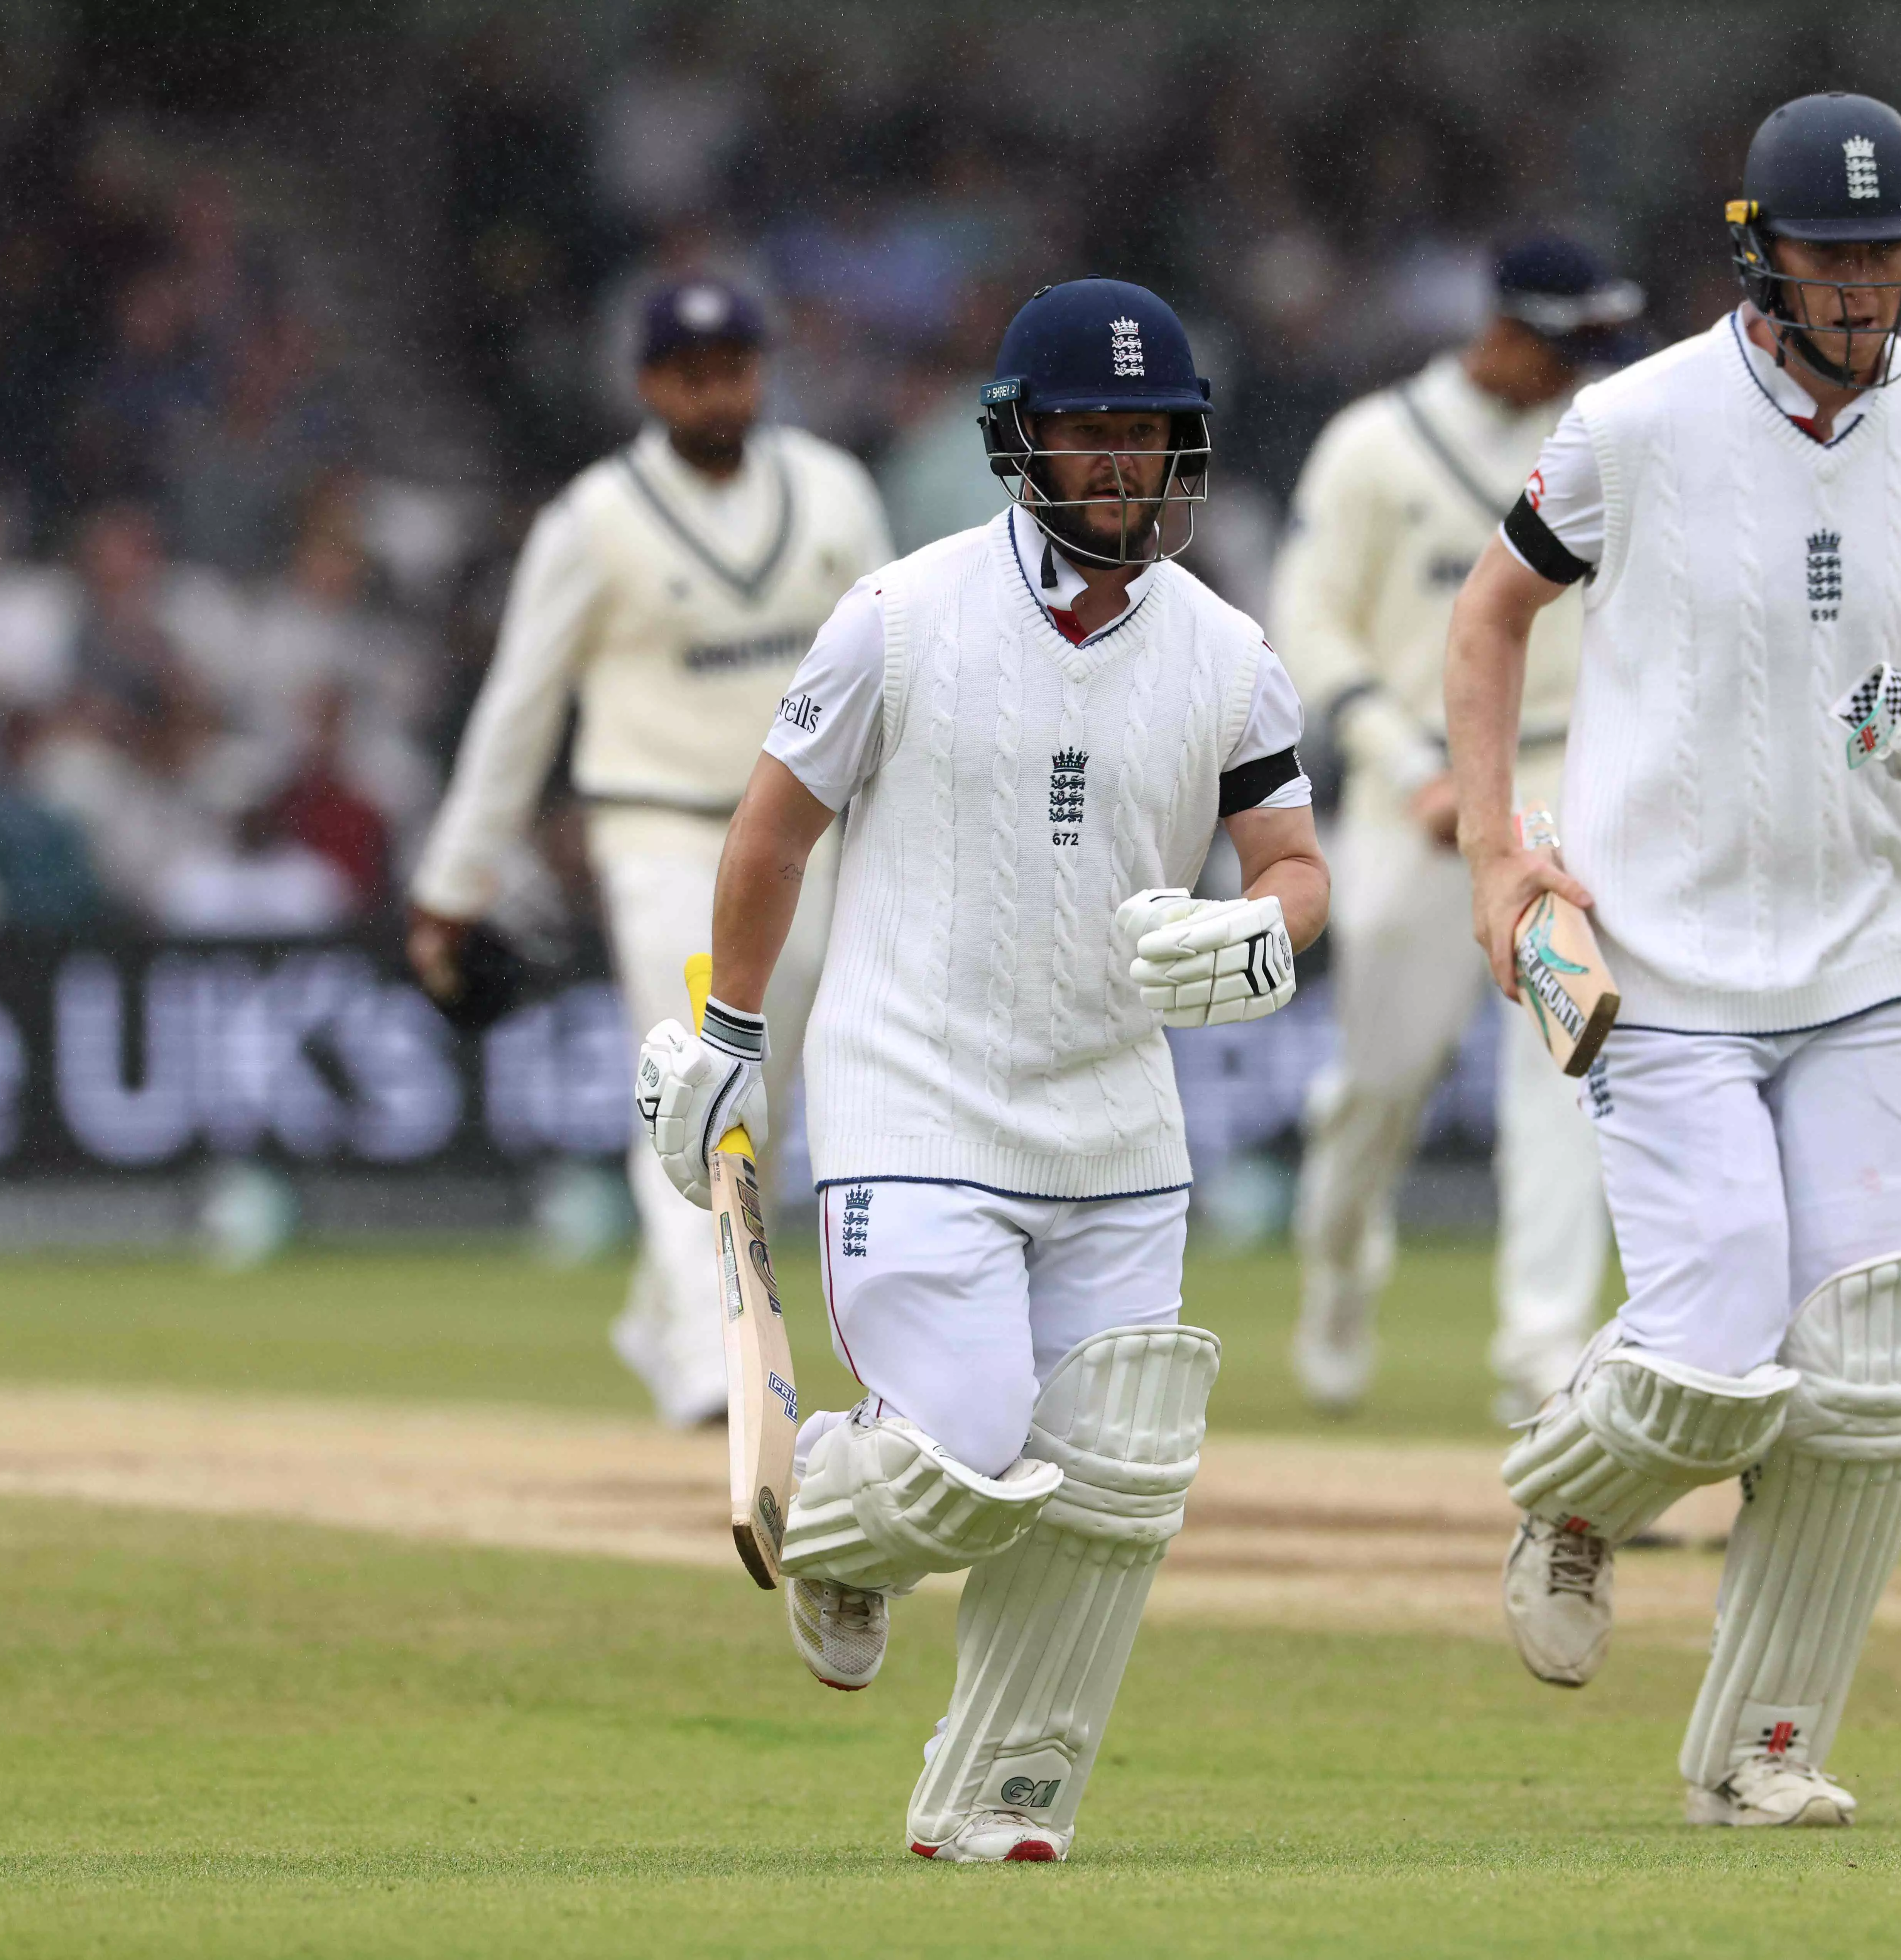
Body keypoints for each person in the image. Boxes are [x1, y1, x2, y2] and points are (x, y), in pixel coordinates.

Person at [1446, 94, 1901, 1827]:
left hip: (1878, 946)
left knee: (1869, 1371)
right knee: (1719, 1330)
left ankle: (1763, 1753)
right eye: (1830, 255)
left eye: (1888, 255)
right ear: (1762, 255)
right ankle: (1577, 1497)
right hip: (1663, 953)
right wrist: (1498, 851)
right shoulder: (1634, 420)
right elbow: (1490, 614)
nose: (1862, 286)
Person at [633, 280, 1327, 1863]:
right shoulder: (900, 614)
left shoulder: (1228, 654)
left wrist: (1265, 931)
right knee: (963, 1444)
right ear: (1021, 442)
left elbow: (1292, 862)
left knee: (1113, 1473)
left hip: (1117, 1119)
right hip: (914, 1095)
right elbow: (772, 831)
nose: (1124, 463)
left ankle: (1003, 1801)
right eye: (1091, 431)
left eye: (1150, 433)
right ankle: (842, 1518)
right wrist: (735, 1036)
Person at [407, 280, 893, 1426]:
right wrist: (453, 884)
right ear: (648, 384)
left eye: (735, 370)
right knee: (696, 1081)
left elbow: (901, 657)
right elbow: (521, 703)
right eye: (692, 374)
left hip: (805, 834)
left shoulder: (832, 490)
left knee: (765, 1101)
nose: (717, 394)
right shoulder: (594, 519)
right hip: (661, 830)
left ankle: (665, 1315)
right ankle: (711, 1365)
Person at [1276, 234, 1644, 1422]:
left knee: (1566, 1066)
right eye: (1568, 344)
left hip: (1558, 781)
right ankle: (1339, 1273)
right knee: (1379, 1085)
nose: (1584, 367)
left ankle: (1542, 1350)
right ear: (1506, 330)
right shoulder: (1375, 444)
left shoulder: (1602, 439)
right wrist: (1406, 767)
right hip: (1415, 794)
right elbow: (1310, 622)